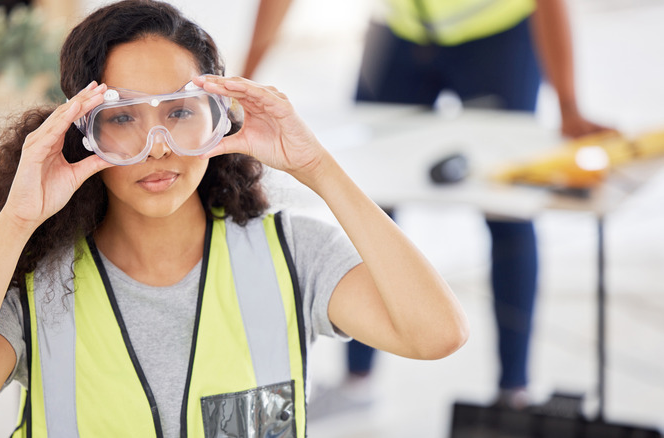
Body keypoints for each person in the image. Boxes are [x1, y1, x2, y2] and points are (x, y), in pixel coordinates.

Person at [0, 1, 469, 437]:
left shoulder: (291, 255)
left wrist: (317, 167)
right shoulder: (37, 283)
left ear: (217, 119)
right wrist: (14, 224)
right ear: (82, 132)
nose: (158, 147)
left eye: (179, 112)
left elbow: (438, 334)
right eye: (123, 117)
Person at [243, 0, 612, 415]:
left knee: (507, 210)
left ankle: (515, 393)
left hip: (497, 32)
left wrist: (567, 106)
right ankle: (357, 381)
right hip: (402, 31)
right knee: (365, 199)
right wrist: (243, 81)